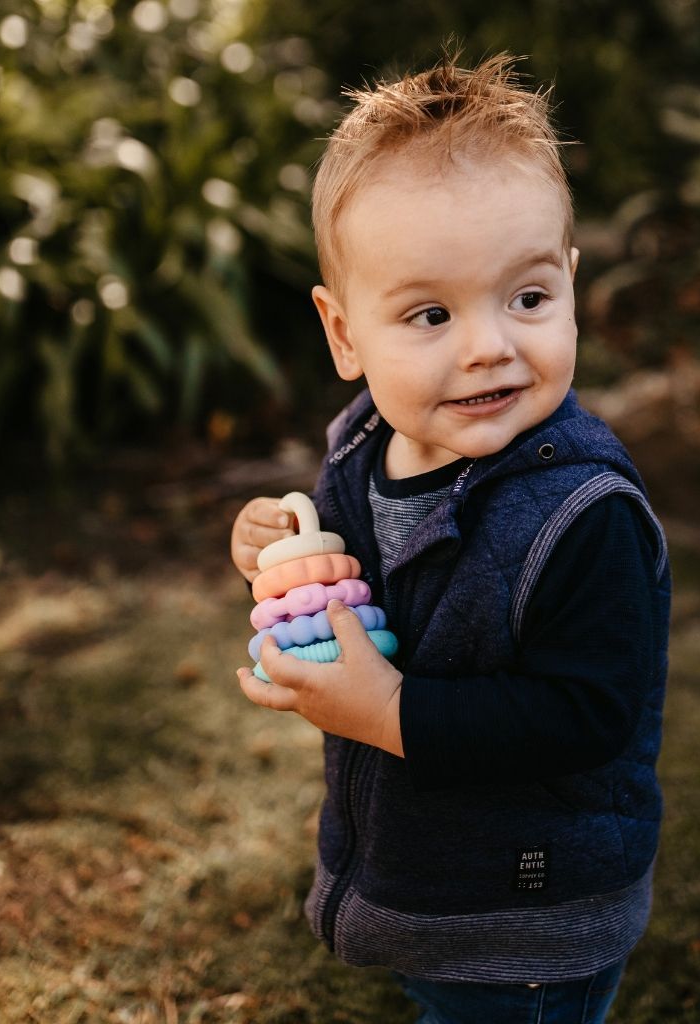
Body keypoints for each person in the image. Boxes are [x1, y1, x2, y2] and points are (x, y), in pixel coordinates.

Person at [230, 50, 670, 1024]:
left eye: (526, 298)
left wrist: (387, 709)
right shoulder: (360, 447)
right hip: (424, 878)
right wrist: (273, 548)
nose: (487, 344)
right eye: (429, 313)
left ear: (569, 280)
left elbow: (584, 715)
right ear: (344, 335)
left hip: (527, 916)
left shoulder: (583, 514)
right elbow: (338, 575)